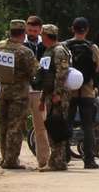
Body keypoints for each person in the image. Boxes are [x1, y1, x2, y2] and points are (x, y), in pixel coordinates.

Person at [0, 19, 38, 169]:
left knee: (3, 126)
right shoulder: (25, 52)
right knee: (15, 127)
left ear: (10, 31)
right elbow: (35, 72)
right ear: (23, 34)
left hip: (1, 93)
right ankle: (11, 160)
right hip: (19, 96)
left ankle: (4, 158)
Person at [64, 17, 99, 169]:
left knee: (67, 123)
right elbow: (97, 68)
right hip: (87, 92)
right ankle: (89, 160)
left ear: (73, 28)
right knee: (88, 126)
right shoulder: (93, 47)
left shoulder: (64, 46)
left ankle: (64, 156)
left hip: (69, 92)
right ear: (87, 30)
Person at [38, 24, 71, 171]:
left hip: (58, 95)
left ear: (47, 35)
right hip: (49, 94)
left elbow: (61, 73)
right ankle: (56, 161)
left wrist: (57, 93)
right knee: (52, 126)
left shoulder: (59, 51)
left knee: (57, 126)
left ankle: (58, 161)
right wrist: (42, 97)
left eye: (42, 34)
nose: (41, 37)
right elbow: (46, 75)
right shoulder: (48, 51)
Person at [24, 15, 50, 168]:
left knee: (40, 127)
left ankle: (43, 160)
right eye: (29, 30)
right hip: (21, 89)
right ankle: (9, 159)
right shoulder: (21, 43)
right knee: (12, 125)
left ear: (40, 30)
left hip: (38, 91)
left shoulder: (46, 46)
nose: (32, 33)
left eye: (35, 30)